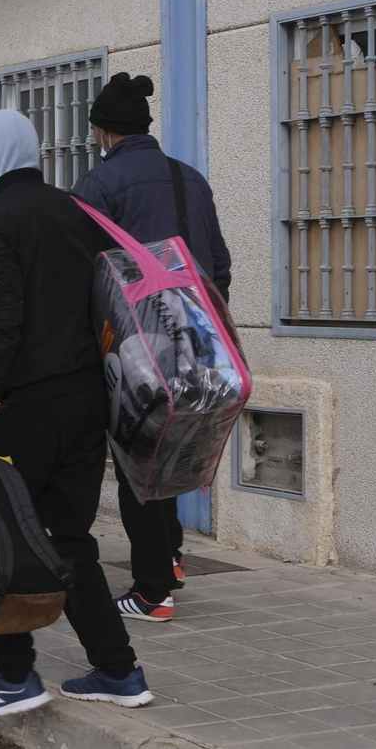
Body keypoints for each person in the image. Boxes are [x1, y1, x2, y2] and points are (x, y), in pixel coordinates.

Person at [0, 109, 152, 719]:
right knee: (67, 538)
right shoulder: (75, 211)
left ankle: (14, 677)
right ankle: (119, 670)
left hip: (29, 402)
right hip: (88, 403)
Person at [72, 72, 233, 624]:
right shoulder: (192, 180)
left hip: (139, 342)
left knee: (139, 457)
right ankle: (171, 558)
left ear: (103, 131)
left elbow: (82, 270)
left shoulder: (99, 186)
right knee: (178, 447)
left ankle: (151, 592)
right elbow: (220, 265)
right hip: (203, 337)